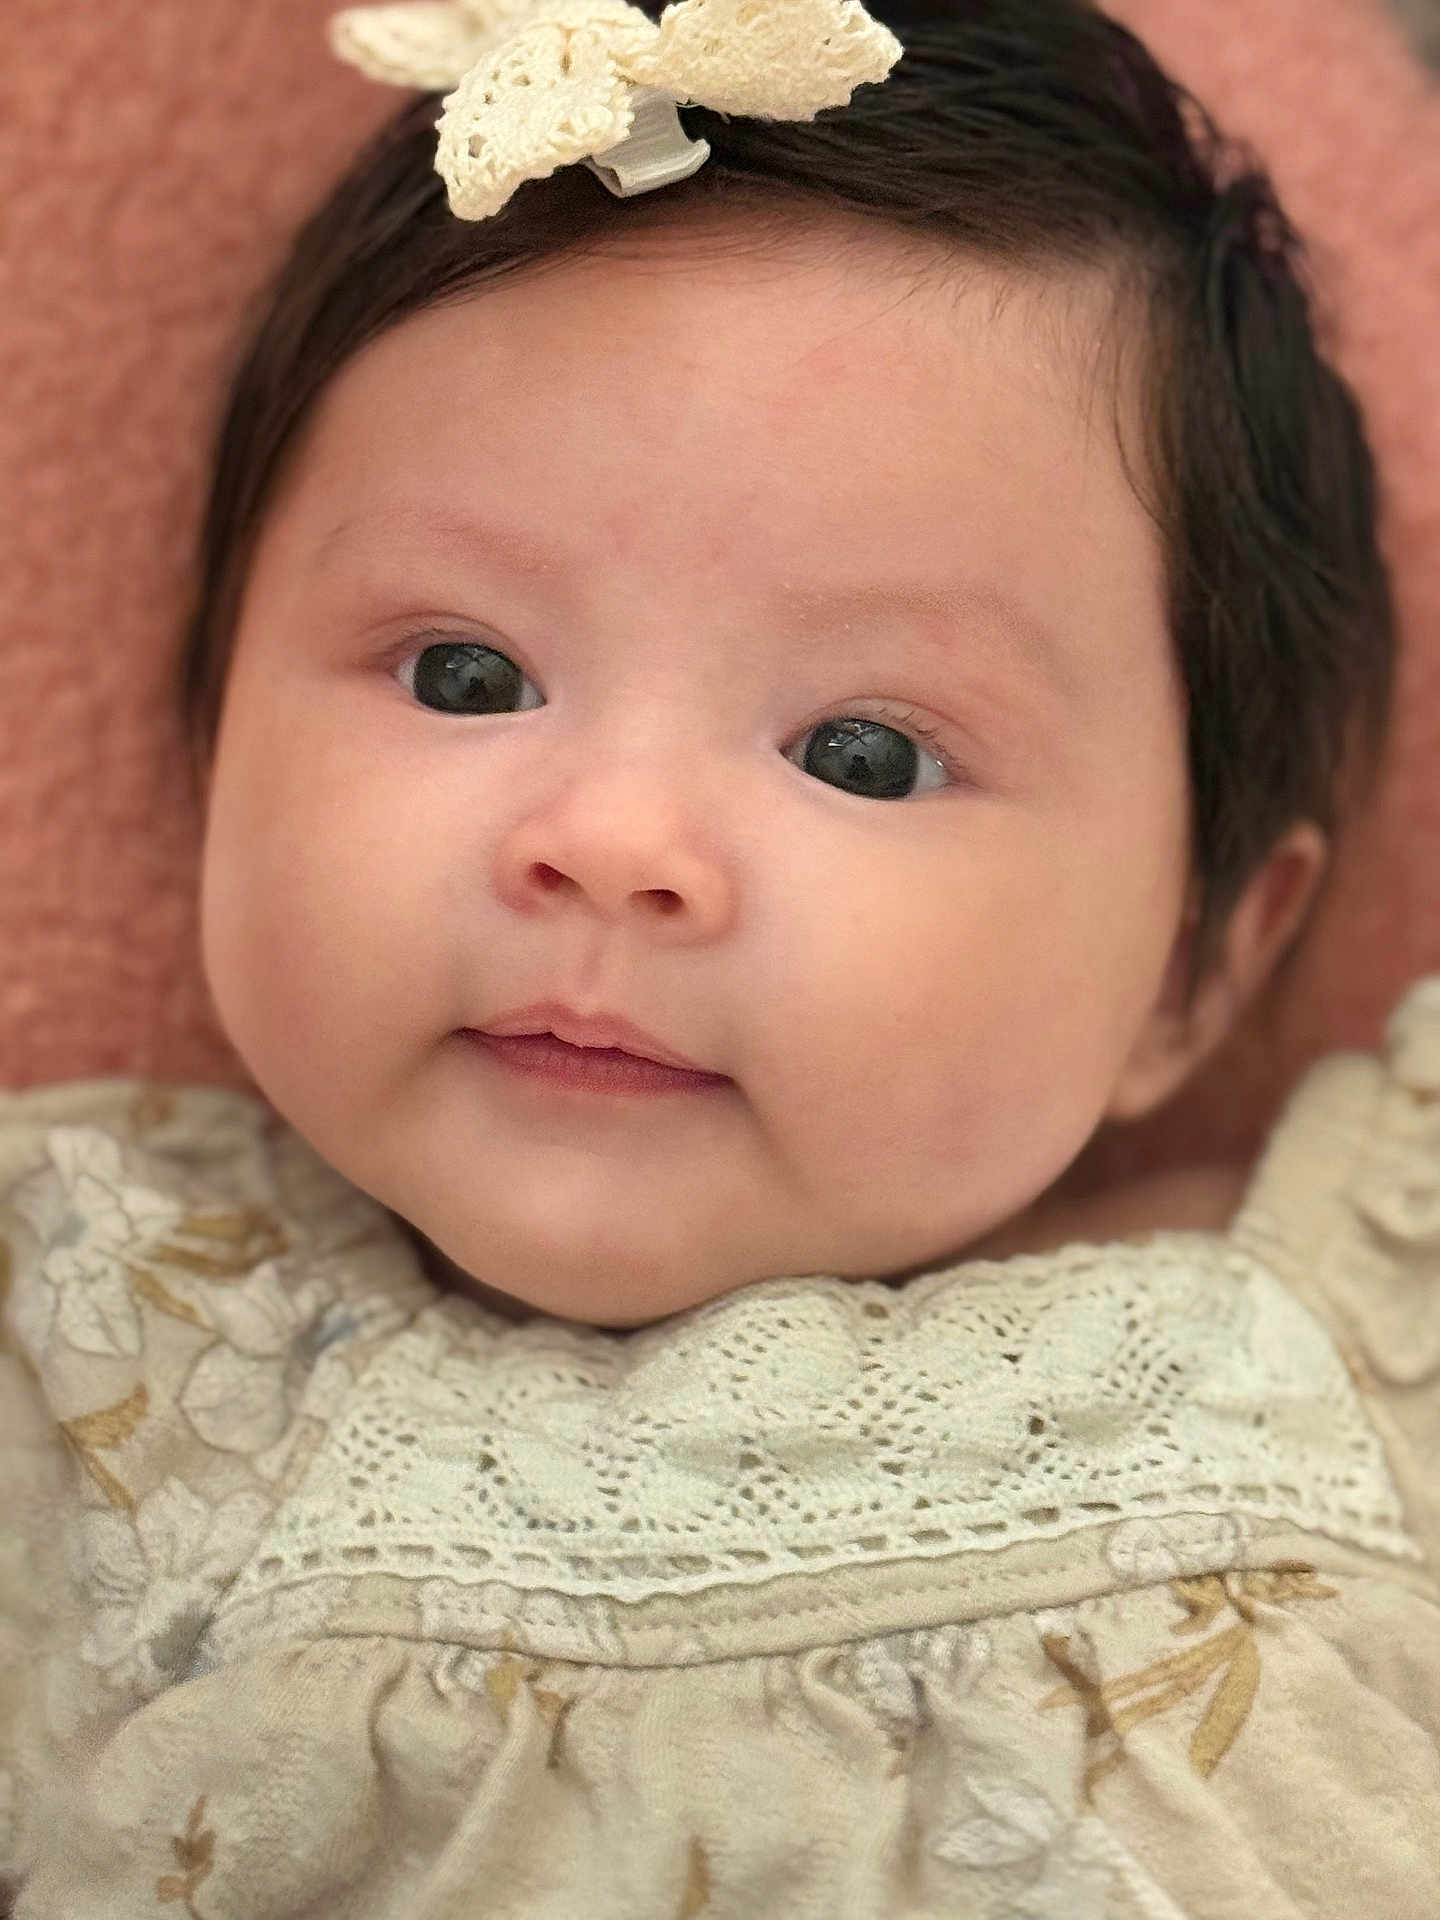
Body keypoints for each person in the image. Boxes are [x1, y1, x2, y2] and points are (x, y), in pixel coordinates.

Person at [2, 0, 1437, 1912]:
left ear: (1196, 965)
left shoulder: (1362, 1335)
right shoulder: (93, 1340)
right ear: (208, 747)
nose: (612, 844)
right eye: (464, 672)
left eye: (864, 752)